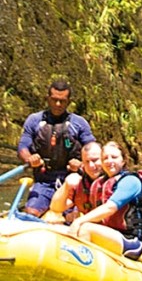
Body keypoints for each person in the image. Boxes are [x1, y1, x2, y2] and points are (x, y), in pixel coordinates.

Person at [68, 142, 142, 260]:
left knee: (85, 228)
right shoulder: (100, 183)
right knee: (76, 227)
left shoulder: (131, 181)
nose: (109, 161)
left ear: (123, 160)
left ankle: (84, 267)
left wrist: (79, 221)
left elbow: (110, 208)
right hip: (109, 234)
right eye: (105, 158)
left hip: (131, 241)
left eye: (114, 157)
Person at [17, 80, 96, 217]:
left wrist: (82, 165)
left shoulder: (79, 123)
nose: (58, 104)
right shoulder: (34, 120)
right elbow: (23, 146)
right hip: (44, 180)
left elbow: (93, 150)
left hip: (71, 181)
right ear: (47, 99)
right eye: (54, 100)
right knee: (31, 214)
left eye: (62, 101)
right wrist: (29, 158)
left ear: (69, 102)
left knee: (72, 217)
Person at [46, 141, 103, 223]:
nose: (91, 166)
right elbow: (55, 208)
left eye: (95, 160)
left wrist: (80, 221)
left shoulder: (116, 180)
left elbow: (109, 208)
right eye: (86, 161)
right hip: (89, 229)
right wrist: (66, 186)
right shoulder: (81, 182)